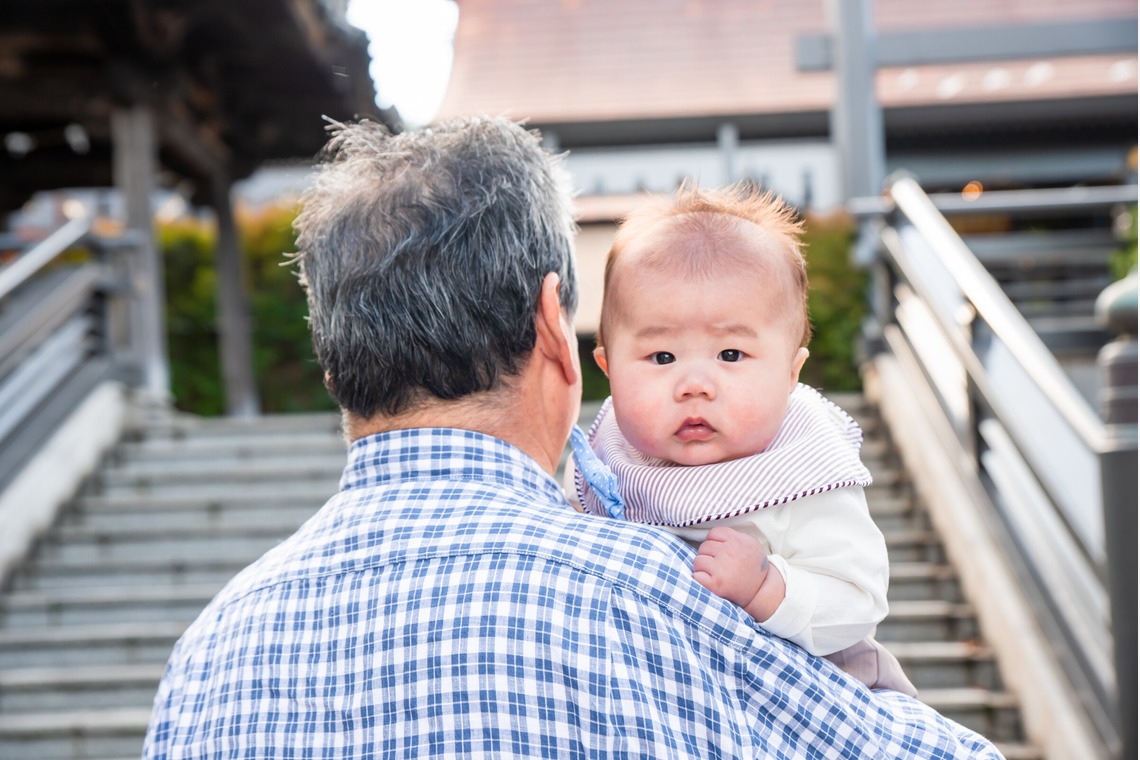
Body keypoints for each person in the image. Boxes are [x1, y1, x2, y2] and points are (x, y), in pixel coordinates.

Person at [143, 116, 1000, 758]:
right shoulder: (667, 597)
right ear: (559, 328)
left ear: (334, 366)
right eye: (661, 351)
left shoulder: (207, 655)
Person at [568, 181, 916, 696]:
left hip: (828, 693)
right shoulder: (612, 461)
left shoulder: (801, 469)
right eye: (662, 357)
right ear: (608, 370)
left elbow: (859, 601)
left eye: (731, 355)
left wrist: (766, 587)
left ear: (791, 373)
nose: (694, 385)